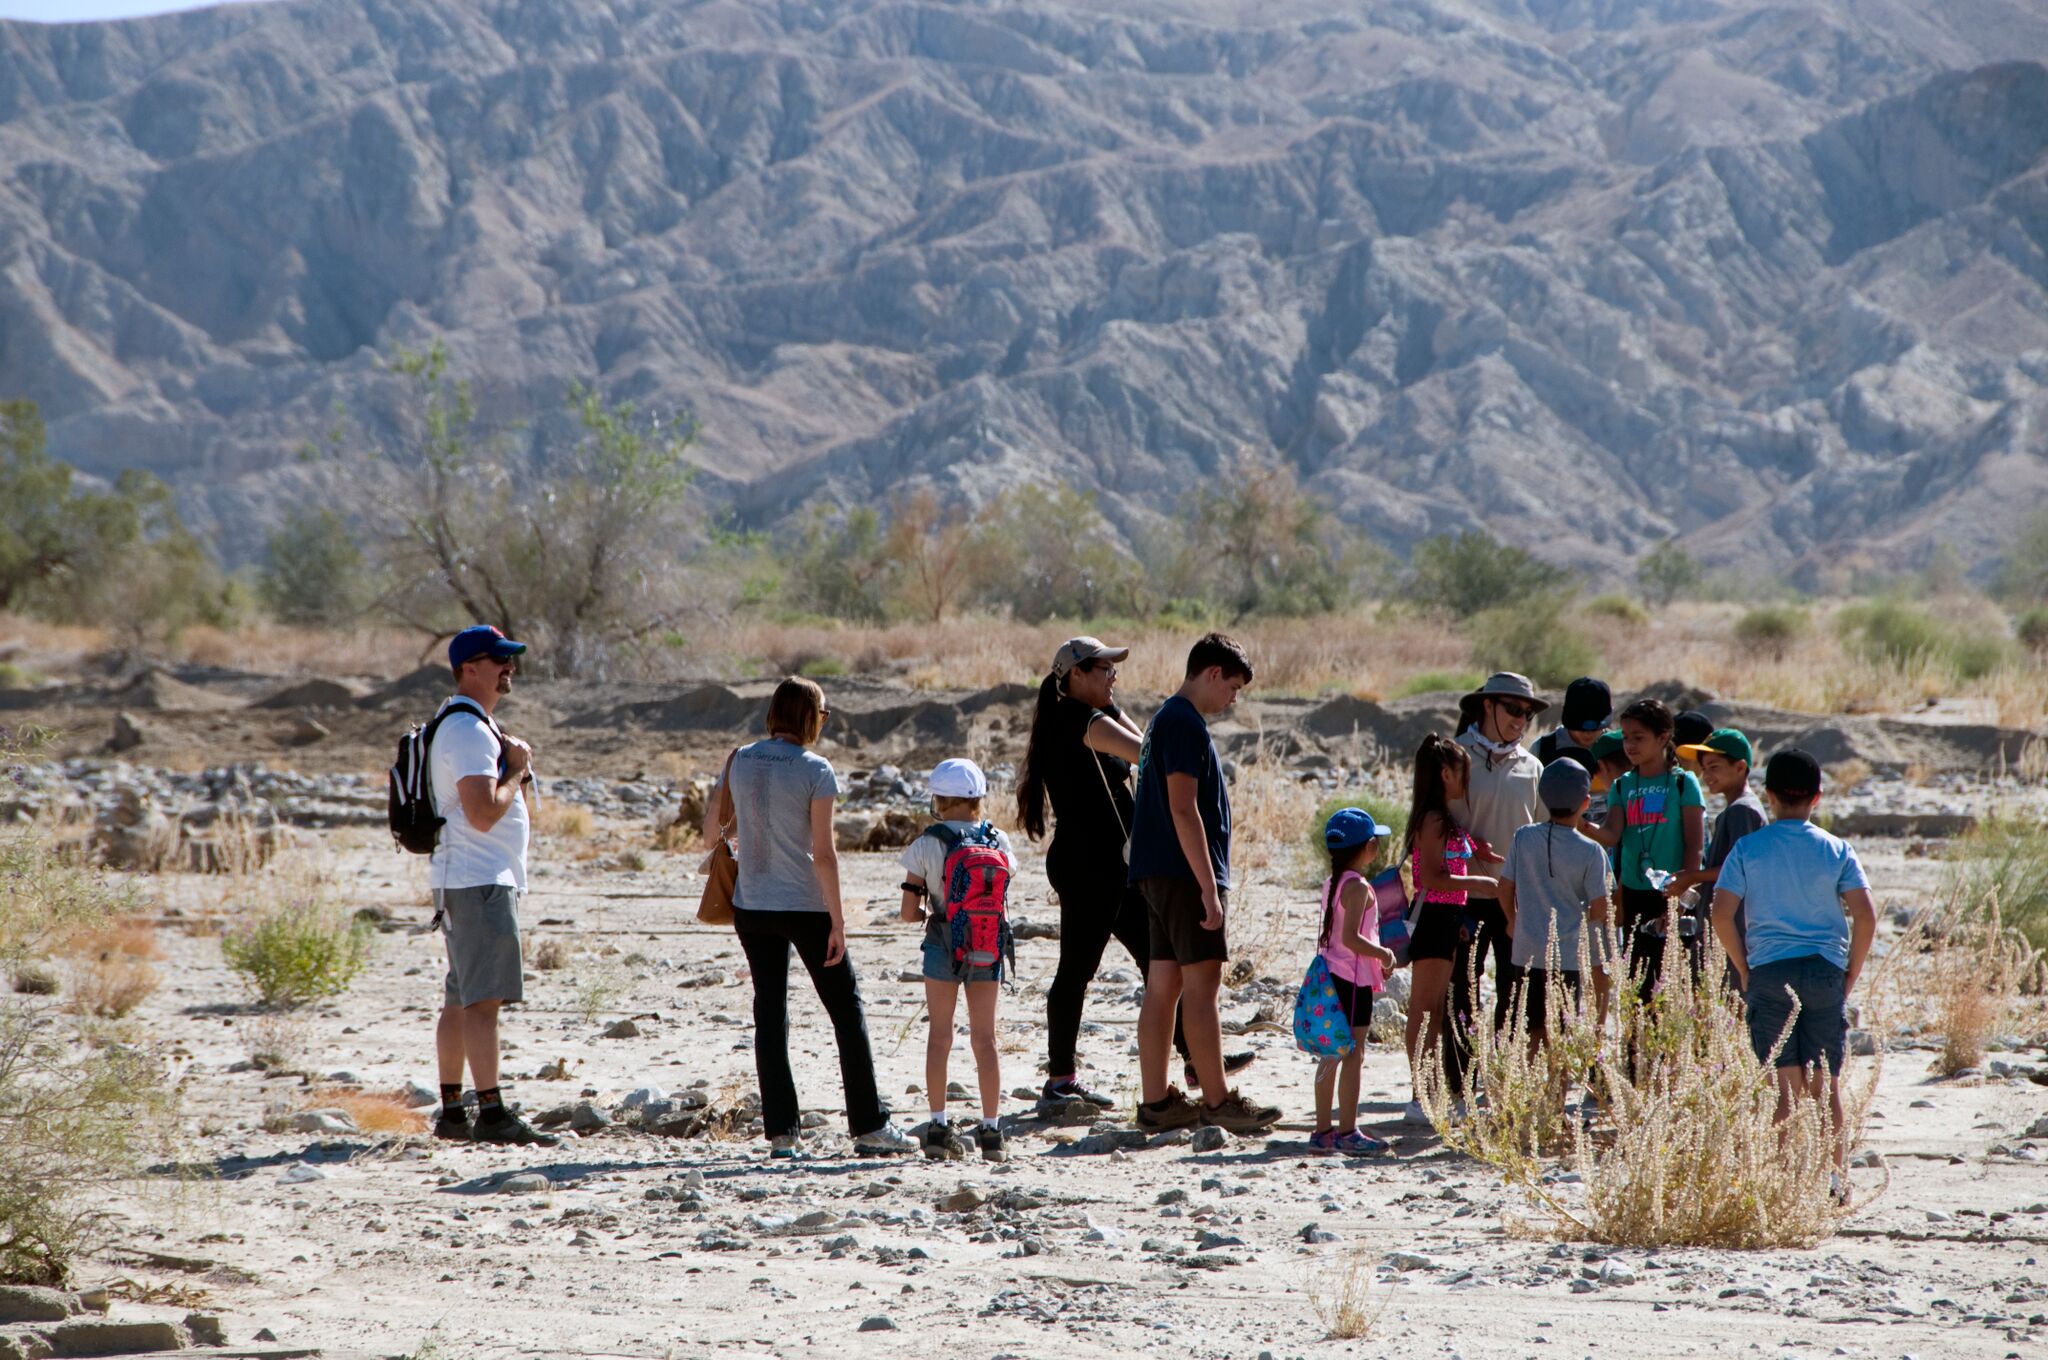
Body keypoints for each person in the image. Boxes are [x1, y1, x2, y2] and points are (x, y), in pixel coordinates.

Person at [1017, 639, 1246, 1108]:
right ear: (1076, 675)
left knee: (1158, 965)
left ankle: (1194, 1058)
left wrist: (1113, 703)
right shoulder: (1084, 721)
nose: (1113, 676)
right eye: (1104, 669)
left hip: (1112, 864)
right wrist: (1121, 713)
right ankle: (1060, 1079)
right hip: (1091, 866)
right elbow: (1149, 753)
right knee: (1077, 969)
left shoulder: (1085, 715)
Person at [730, 677, 915, 1158]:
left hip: (751, 904)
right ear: (810, 717)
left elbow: (714, 832)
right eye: (824, 713)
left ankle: (782, 1135)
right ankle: (869, 1125)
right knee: (846, 1011)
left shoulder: (740, 758)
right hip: (805, 905)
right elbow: (825, 855)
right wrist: (839, 920)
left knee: (770, 1013)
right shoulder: (816, 768)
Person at [1128, 633, 1280, 1135]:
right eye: (1232, 687)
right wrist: (1208, 887)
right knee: (1202, 986)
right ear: (1212, 673)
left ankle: (1156, 1103)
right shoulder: (1184, 722)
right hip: (1183, 874)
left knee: (1164, 986)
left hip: (1157, 872)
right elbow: (1182, 807)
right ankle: (1217, 1102)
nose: (1233, 699)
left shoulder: (1164, 719)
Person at [1710, 750, 1877, 1189]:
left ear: (1768, 795)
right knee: (1826, 1086)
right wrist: (1849, 973)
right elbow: (1865, 915)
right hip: (1824, 972)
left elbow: (1721, 913)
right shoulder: (1836, 848)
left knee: (1783, 1089)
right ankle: (1834, 1183)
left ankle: (1784, 1188)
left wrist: (1743, 967)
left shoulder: (1748, 848)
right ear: (1817, 797)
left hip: (1769, 972)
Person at [428, 625, 558, 1147]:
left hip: (463, 879)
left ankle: (452, 1113)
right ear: (469, 668)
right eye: (498, 659)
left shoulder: (465, 723)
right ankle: (492, 1113)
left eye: (510, 659)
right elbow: (483, 813)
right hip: (479, 879)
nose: (509, 667)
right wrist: (517, 771)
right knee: (483, 1003)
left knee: (461, 998)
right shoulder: (468, 730)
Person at [900, 758, 1014, 1162]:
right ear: (978, 798)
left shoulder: (926, 844)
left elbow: (907, 912)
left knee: (940, 1037)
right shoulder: (998, 841)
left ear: (938, 798)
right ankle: (992, 1133)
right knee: (985, 1039)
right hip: (985, 942)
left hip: (942, 942)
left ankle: (937, 1128)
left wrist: (930, 912)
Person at [1498, 760, 1611, 1114]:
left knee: (1533, 1029)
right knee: (1560, 1031)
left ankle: (1534, 1105)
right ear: (1585, 802)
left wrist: (1513, 921)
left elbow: (1504, 887)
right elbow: (1600, 907)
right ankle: (1554, 1106)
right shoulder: (1591, 851)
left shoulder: (1523, 837)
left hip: (1527, 950)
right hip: (1567, 955)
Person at [1401, 734, 1498, 1124]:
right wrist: (1479, 883)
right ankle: (1419, 1096)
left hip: (1448, 919)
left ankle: (1429, 1092)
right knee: (1424, 1010)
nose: (1467, 781)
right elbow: (1431, 877)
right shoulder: (1434, 820)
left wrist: (1477, 851)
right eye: (1463, 773)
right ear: (1445, 773)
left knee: (1437, 1011)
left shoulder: (1444, 820)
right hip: (1434, 918)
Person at [1583, 698, 1704, 1007]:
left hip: (1672, 893)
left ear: (1663, 738)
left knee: (1671, 988)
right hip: (1635, 894)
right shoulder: (1622, 786)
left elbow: (1694, 844)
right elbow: (1611, 835)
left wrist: (1682, 894)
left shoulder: (1683, 783)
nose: (1629, 745)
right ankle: (1636, 1041)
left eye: (1638, 737)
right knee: (1639, 987)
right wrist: (1579, 824)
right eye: (1625, 737)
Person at [1450, 673, 1548, 1040]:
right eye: (1513, 709)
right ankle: (1461, 1073)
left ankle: (1504, 1068)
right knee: (1460, 994)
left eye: (1527, 713)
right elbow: (1428, 822)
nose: (1521, 719)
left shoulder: (1533, 767)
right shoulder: (1452, 756)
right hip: (1461, 895)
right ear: (1487, 705)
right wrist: (1466, 842)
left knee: (1515, 992)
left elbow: (1542, 837)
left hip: (1515, 899)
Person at [1309, 808, 1398, 1156]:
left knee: (1331, 1053)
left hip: (1331, 976)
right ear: (1368, 847)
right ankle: (1347, 1131)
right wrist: (1384, 955)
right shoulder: (1358, 887)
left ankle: (1322, 1131)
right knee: (1353, 1055)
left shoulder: (1332, 882)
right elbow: (1352, 939)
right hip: (1352, 980)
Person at [1665, 728, 1766, 945]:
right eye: (1704, 769)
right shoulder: (1734, 810)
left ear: (1740, 767)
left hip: (1735, 929)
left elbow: (1740, 869)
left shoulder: (1742, 810)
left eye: (1714, 767)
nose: (1706, 775)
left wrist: (1693, 876)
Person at [1534, 677, 1612, 770]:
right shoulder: (1542, 748)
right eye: (1579, 726)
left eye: (1595, 727)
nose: (1588, 733)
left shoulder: (1618, 746)